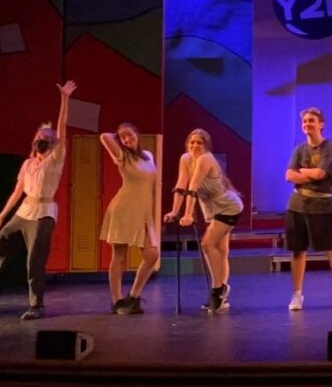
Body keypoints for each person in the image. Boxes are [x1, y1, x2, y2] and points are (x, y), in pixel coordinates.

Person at [0, 80, 77, 320]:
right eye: (40, 135)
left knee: (34, 260)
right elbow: (17, 191)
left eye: (47, 136)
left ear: (53, 142)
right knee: (1, 246)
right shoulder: (28, 163)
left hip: (43, 213)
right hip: (24, 211)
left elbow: (62, 127)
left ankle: (36, 305)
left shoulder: (55, 159)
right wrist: (2, 214)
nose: (43, 137)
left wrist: (65, 99)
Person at [164, 128, 245, 312]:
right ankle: (221, 296)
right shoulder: (185, 159)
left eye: (199, 143)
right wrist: (175, 211)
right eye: (192, 142)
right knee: (221, 250)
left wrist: (187, 215)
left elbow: (193, 188)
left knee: (208, 244)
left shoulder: (205, 158)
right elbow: (181, 185)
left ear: (206, 145)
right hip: (212, 210)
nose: (195, 146)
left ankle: (218, 289)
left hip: (228, 207)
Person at [284, 107, 332, 311]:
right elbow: (289, 175)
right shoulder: (299, 150)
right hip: (297, 205)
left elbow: (321, 173)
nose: (307, 124)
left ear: (321, 124)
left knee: (331, 248)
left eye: (311, 121)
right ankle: (297, 295)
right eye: (304, 121)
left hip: (322, 205)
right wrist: (309, 173)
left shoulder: (328, 147)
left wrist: (303, 172)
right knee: (298, 251)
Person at [98, 122, 160, 315]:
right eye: (123, 137)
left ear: (137, 134)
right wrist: (117, 138)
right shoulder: (122, 157)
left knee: (152, 255)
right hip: (123, 209)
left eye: (130, 135)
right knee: (119, 256)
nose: (127, 139)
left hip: (143, 212)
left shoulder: (148, 155)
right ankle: (116, 300)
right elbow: (104, 137)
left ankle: (133, 297)